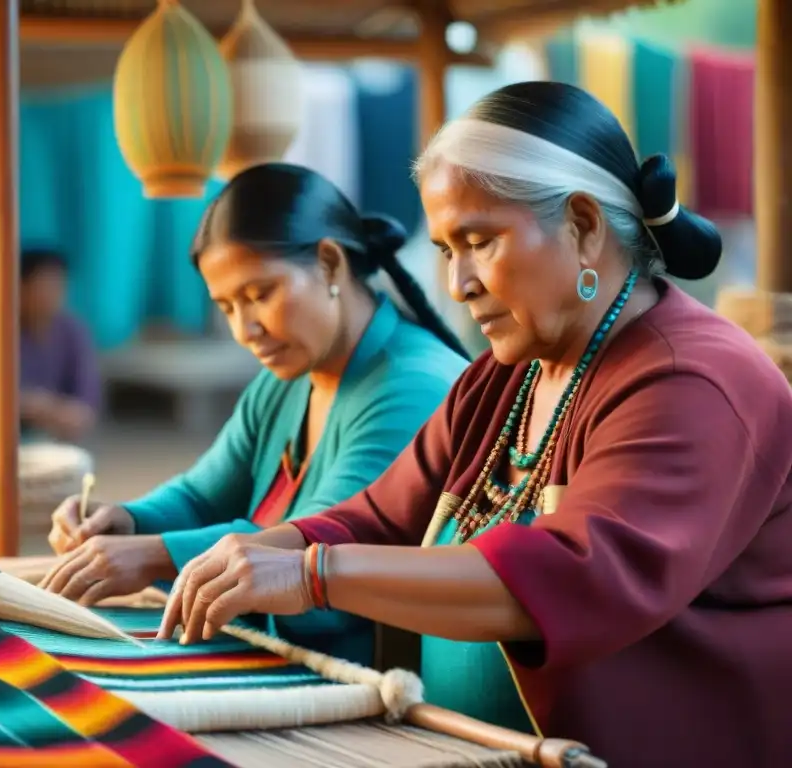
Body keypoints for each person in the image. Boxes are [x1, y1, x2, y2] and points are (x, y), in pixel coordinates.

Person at [156, 83, 792, 768]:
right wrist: (248, 552)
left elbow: (576, 574)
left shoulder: (692, 380)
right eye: (444, 248)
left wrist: (311, 573)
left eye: (478, 242)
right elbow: (377, 517)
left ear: (581, 226)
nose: (456, 283)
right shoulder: (508, 375)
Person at [40, 163, 471, 665]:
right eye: (226, 307)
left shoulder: (412, 386)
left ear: (330, 264)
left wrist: (152, 555)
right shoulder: (290, 377)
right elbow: (203, 495)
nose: (246, 330)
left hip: (359, 678)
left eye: (260, 295)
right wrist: (126, 523)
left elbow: (317, 545)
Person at [0, 248, 101, 442]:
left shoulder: (72, 330)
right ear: (19, 287)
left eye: (57, 286)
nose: (50, 295)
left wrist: (54, 410)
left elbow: (87, 399)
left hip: (55, 433)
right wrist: (31, 404)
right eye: (42, 286)